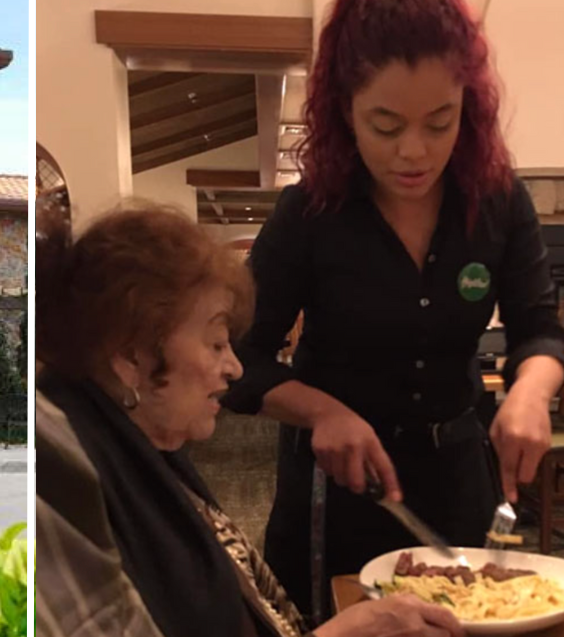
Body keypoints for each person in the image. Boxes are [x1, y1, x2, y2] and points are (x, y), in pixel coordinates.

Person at [224, 0, 564, 615]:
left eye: (439, 122)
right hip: (338, 494)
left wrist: (530, 391)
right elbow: (239, 360)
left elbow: (540, 329)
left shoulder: (496, 202)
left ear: (467, 104)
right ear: (343, 110)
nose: (414, 150)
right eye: (386, 125)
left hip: (456, 482)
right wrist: (321, 411)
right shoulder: (310, 212)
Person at [35, 199, 465, 637]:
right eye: (216, 343)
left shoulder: (137, 445)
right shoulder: (73, 481)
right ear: (132, 355)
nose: (234, 368)